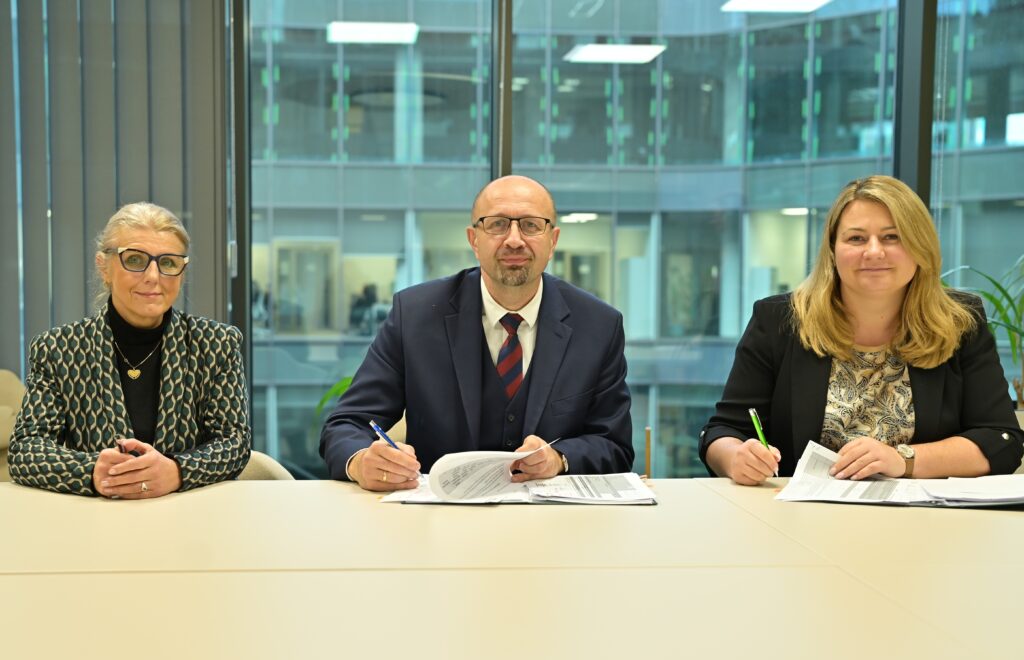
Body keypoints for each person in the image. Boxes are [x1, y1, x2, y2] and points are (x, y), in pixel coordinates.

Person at [700, 175, 1024, 485]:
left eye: (892, 237)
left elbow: (1001, 440)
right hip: (802, 515)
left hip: (923, 518)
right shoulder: (780, 320)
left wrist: (903, 460)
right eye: (856, 238)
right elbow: (722, 432)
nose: (873, 251)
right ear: (832, 250)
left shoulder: (960, 322)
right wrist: (736, 458)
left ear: (920, 246)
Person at [320, 175, 633, 491]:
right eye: (497, 225)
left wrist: (559, 458)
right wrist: (360, 461)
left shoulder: (598, 326)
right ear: (474, 239)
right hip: (440, 513)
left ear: (553, 240)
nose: (514, 240)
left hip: (551, 515)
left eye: (531, 225)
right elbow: (347, 424)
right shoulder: (414, 316)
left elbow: (615, 446)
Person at [9, 202, 251, 498]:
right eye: (135, 260)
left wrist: (177, 471)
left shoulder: (216, 343)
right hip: (93, 516)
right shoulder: (58, 349)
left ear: (181, 272)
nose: (153, 276)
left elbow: (234, 442)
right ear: (104, 267)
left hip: (188, 513)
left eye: (168, 263)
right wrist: (92, 471)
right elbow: (25, 450)